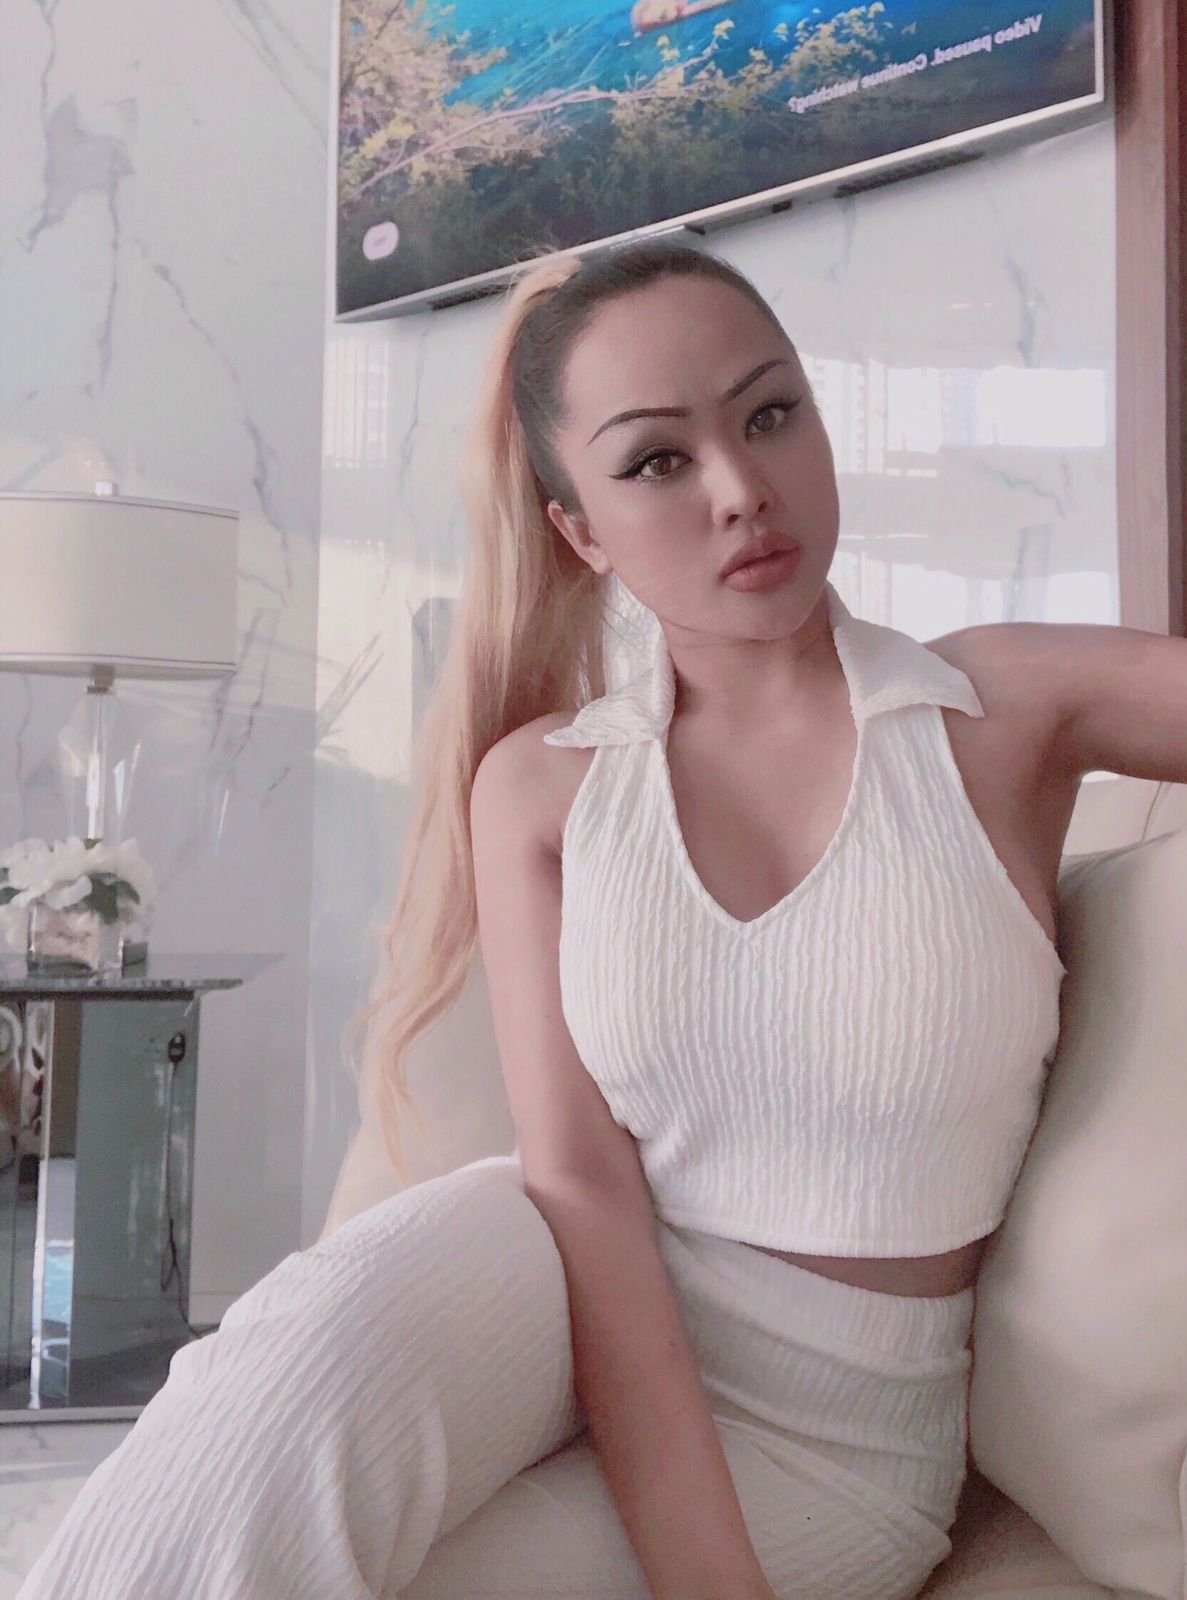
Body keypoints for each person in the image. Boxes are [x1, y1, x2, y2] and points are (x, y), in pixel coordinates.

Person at [18, 237, 1078, 1600]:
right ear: (579, 529)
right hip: (541, 1285)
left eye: (770, 414)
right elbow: (581, 1187)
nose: (741, 491)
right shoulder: (542, 786)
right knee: (281, 1366)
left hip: (831, 1441)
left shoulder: (992, 707)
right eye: (657, 460)